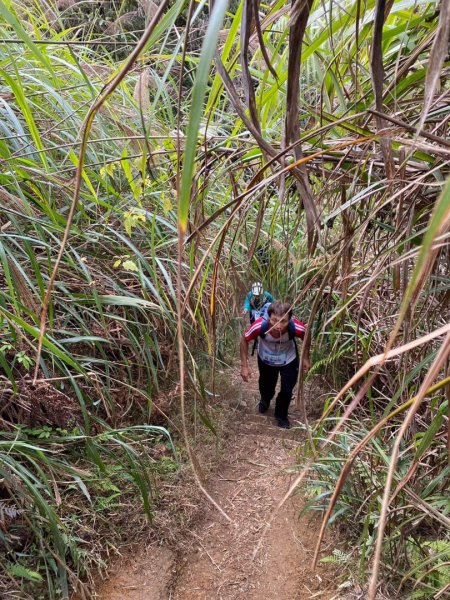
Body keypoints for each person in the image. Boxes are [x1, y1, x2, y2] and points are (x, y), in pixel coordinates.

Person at [239, 301, 309, 429]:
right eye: (274, 320)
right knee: (266, 386)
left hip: (288, 359)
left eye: (283, 321)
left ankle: (281, 415)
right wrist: (244, 365)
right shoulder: (259, 326)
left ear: (290, 320)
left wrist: (305, 358)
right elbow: (244, 339)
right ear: (269, 317)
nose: (278, 325)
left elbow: (306, 336)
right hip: (266, 361)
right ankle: (265, 399)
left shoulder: (296, 327)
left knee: (287, 389)